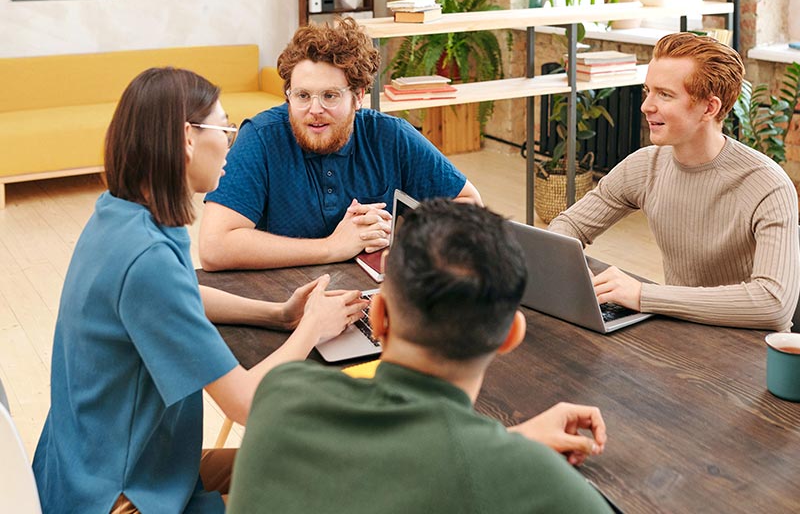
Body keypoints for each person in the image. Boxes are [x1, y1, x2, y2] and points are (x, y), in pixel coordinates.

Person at [32, 67, 366, 513]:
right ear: (188, 138)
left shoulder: (120, 216)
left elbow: (180, 293)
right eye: (224, 127)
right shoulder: (146, 260)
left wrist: (278, 314)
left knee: (308, 466)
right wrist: (311, 328)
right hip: (122, 497)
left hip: (89, 468)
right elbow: (247, 405)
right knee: (327, 482)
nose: (230, 141)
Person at [226, 200, 613, 514]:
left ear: (378, 316)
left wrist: (509, 443)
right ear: (511, 335)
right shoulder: (535, 481)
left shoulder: (281, 393)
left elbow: (391, 466)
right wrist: (512, 451)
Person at [549, 32, 800, 331]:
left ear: (709, 108)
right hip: (680, 330)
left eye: (664, 95)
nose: (646, 106)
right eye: (648, 91)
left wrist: (642, 294)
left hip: (749, 349)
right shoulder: (644, 166)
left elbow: (773, 304)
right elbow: (568, 228)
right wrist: (574, 274)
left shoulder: (767, 185)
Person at [199, 17, 482, 271]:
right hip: (284, 299)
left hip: (372, 296)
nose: (314, 109)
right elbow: (214, 246)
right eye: (302, 95)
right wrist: (333, 247)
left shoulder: (391, 135)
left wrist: (399, 229)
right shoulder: (261, 137)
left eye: (330, 96)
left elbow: (469, 204)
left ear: (358, 96)